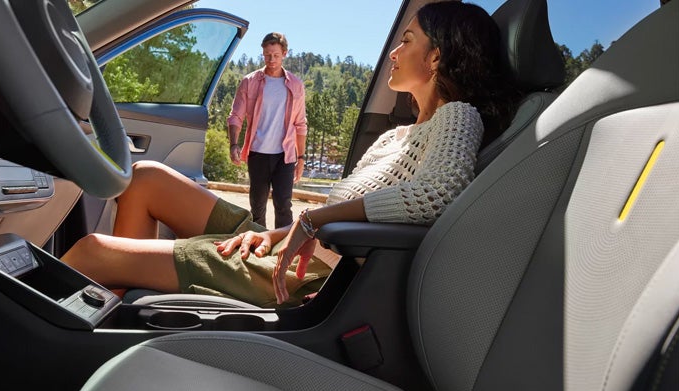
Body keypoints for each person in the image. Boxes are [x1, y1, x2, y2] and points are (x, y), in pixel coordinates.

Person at [60, 1, 518, 307]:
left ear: (436, 58)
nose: (396, 52)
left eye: (408, 40)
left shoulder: (457, 117)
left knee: (92, 250)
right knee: (145, 179)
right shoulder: (392, 139)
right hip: (292, 249)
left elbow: (434, 197)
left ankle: (75, 327)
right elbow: (331, 217)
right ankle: (115, 311)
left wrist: (311, 221)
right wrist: (281, 233)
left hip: (308, 275)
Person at [227, 32, 307, 229]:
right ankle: (257, 246)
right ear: (263, 53)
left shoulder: (295, 85)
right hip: (258, 153)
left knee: (283, 205)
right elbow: (236, 115)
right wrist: (233, 144)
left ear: (285, 54)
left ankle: (282, 249)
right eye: (267, 55)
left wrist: (301, 158)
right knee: (258, 206)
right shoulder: (250, 81)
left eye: (276, 55)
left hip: (284, 156)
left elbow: (300, 124)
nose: (271, 60)